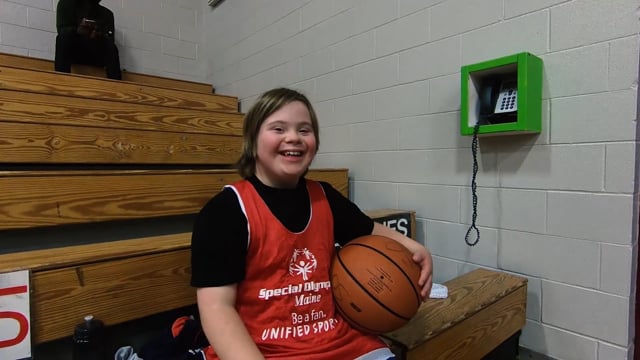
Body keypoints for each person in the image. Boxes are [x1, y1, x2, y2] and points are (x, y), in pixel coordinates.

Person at [190, 87, 433, 360]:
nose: (293, 137)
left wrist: (414, 247)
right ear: (252, 140)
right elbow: (216, 308)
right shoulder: (225, 211)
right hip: (262, 350)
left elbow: (370, 231)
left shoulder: (325, 197)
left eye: (304, 130)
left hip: (337, 340)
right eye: (278, 129)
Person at [54, 0, 122, 80]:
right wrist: (77, 31)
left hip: (95, 54)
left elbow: (110, 40)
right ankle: (61, 81)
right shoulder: (66, 3)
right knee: (63, 37)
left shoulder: (107, 14)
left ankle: (116, 86)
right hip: (73, 53)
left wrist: (97, 35)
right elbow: (61, 31)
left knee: (112, 47)